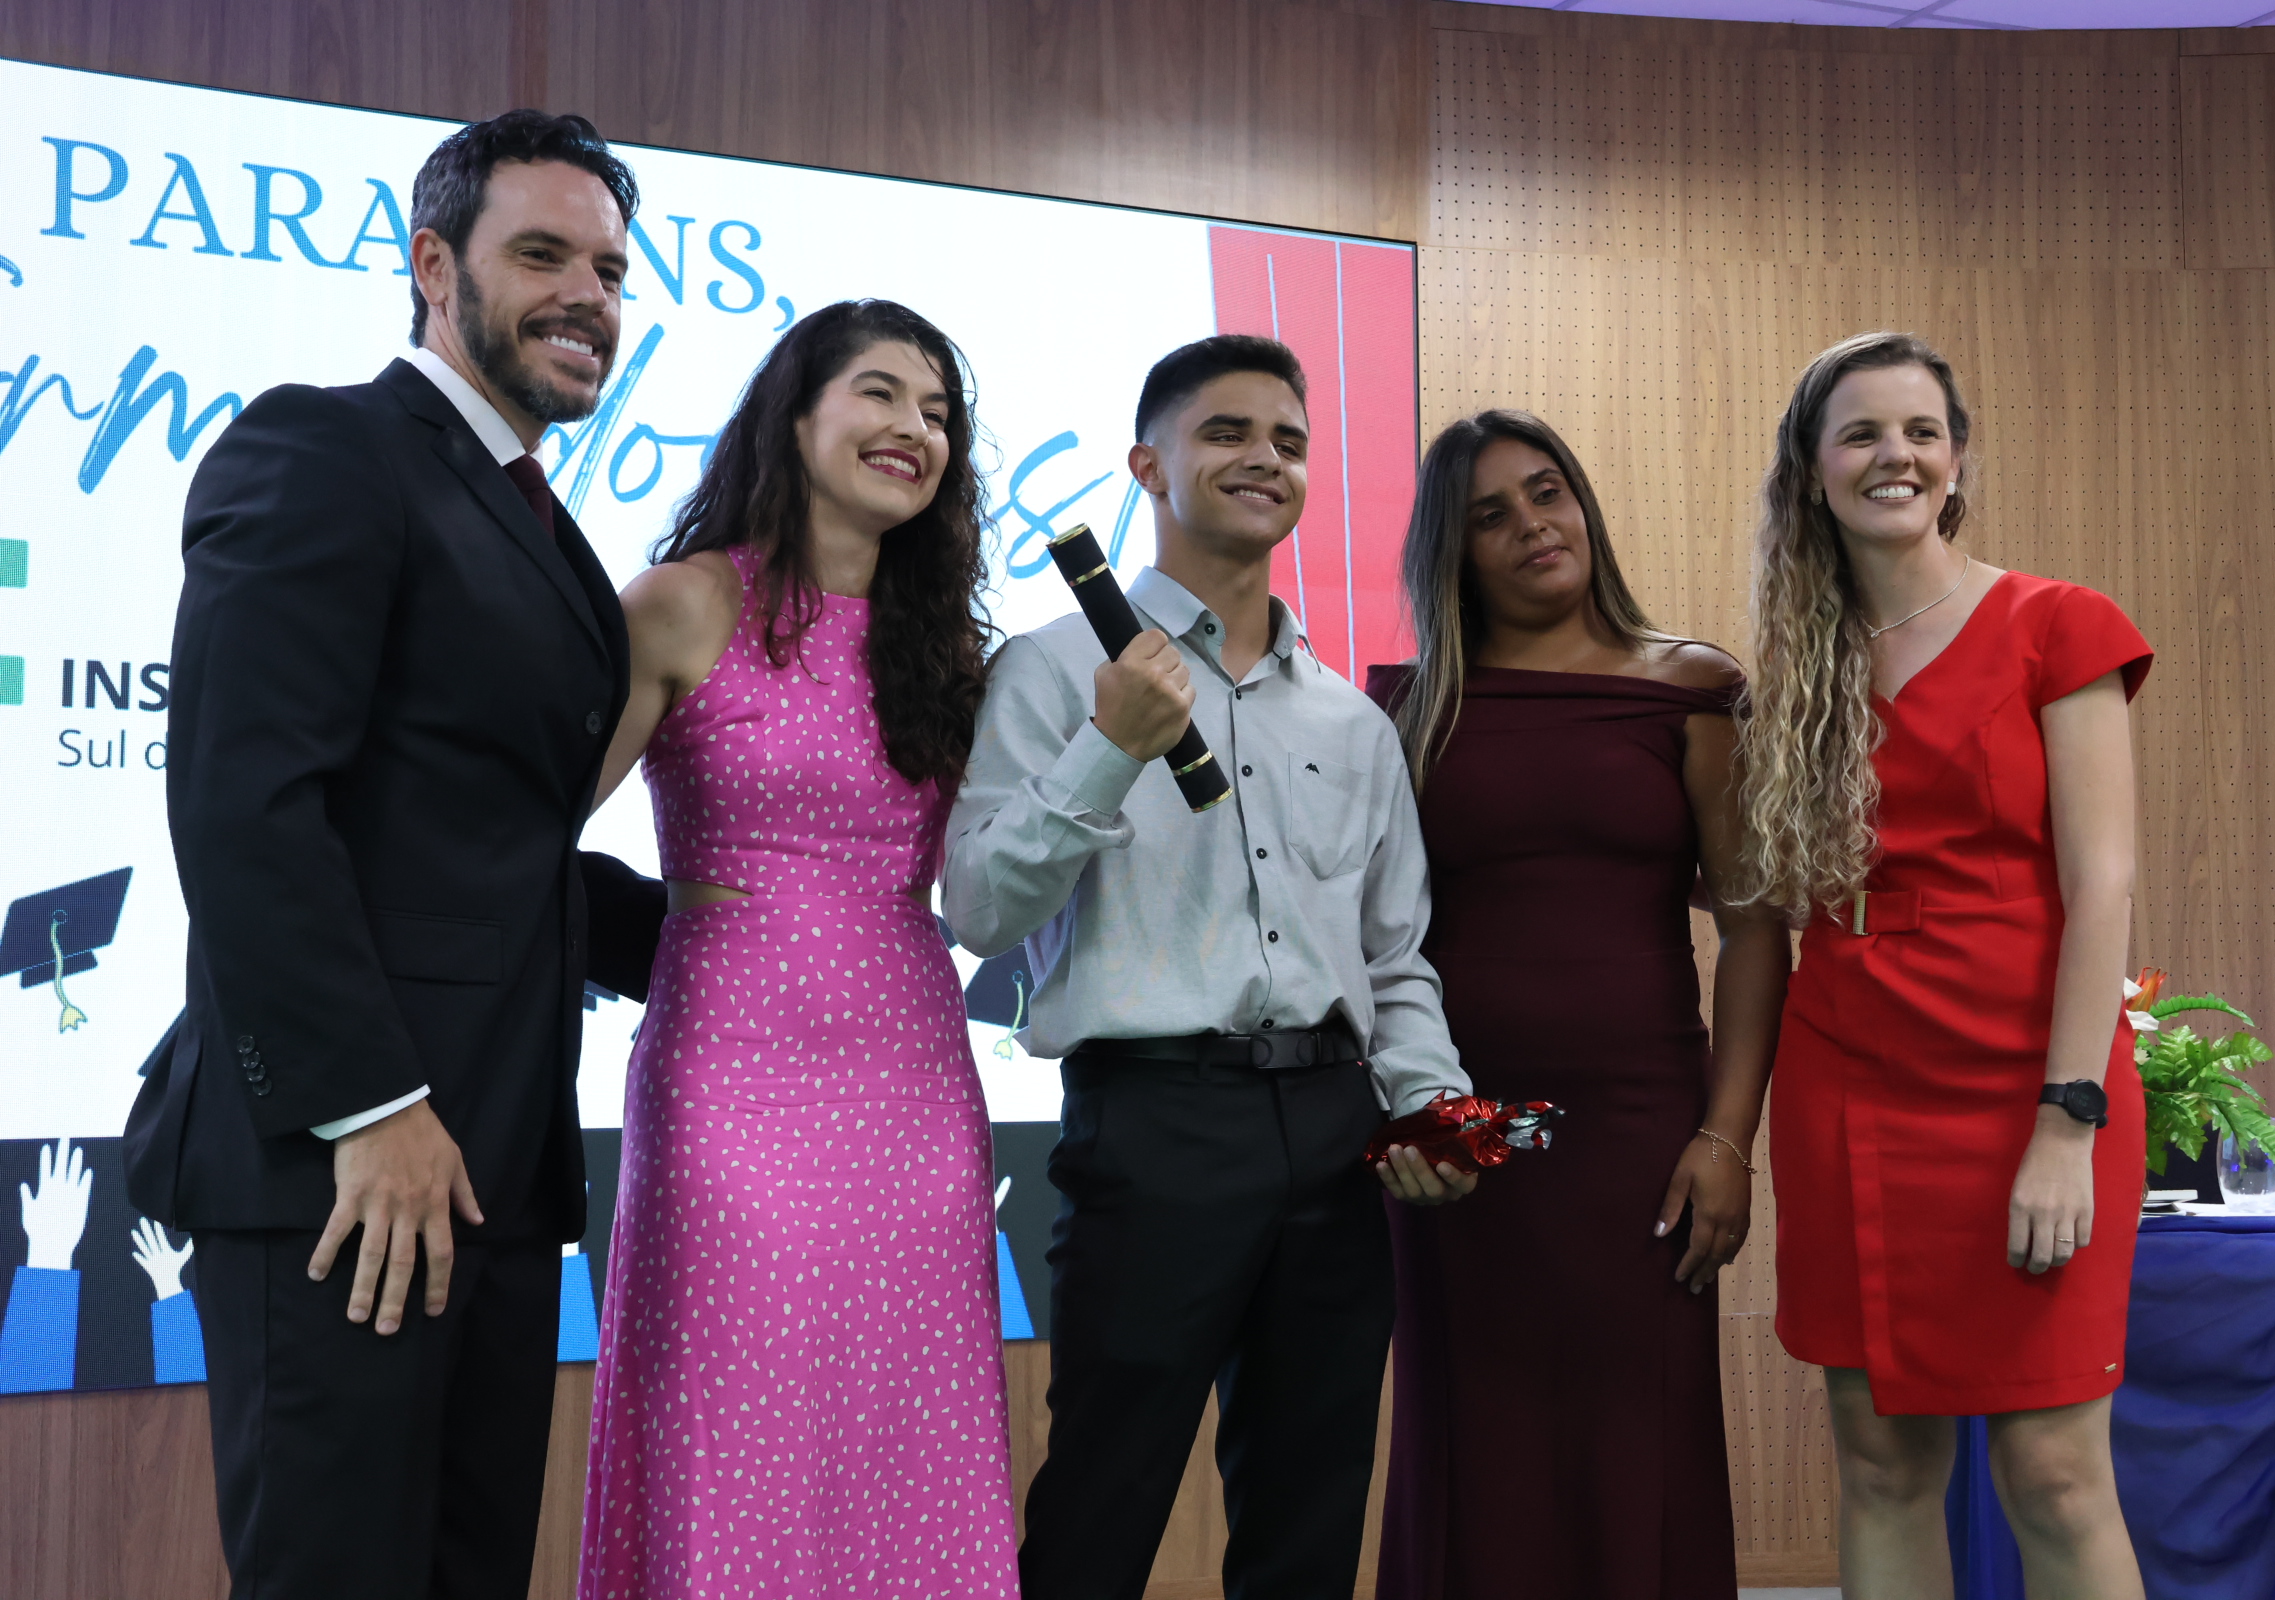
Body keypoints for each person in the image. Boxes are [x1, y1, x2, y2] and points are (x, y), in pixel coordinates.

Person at [120, 111, 638, 1598]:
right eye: (540, 255)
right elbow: (245, 802)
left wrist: (756, 926)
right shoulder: (327, 446)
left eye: (609, 271)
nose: (585, 297)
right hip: (345, 1174)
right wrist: (371, 1106)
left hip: (499, 1179)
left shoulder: (535, 517)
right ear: (433, 266)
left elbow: (489, 845)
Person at [943, 333, 1477, 1600]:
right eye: (1227, 431)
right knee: (1102, 1501)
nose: (1264, 459)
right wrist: (1111, 744)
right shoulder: (1052, 668)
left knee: (1311, 1512)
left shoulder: (1349, 719)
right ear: (1149, 465)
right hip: (1154, 1125)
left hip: (1336, 1129)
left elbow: (1393, 955)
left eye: (1289, 441)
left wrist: (1435, 1103)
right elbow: (980, 908)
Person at [576, 299, 1018, 1597]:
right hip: (732, 1071)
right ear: (797, 413)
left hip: (917, 1080)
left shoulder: (948, 653)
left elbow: (997, 882)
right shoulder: (682, 603)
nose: (914, 427)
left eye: (938, 411)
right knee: (737, 1421)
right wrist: (667, 942)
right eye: (880, 392)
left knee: (910, 1436)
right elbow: (516, 834)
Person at [1738, 332, 2150, 1598]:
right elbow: (1765, 896)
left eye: (1921, 431)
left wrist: (2067, 1122)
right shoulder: (1795, 669)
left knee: (2055, 1469)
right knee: (1880, 1459)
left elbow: (2104, 887)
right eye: (1861, 433)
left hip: (2030, 1079)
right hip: (1847, 1074)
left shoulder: (2056, 625)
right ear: (1813, 470)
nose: (1895, 455)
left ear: (1958, 458)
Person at [1367, 411, 1787, 1599]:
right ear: (1453, 551)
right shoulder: (1407, 707)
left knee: (1634, 1422)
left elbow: (1755, 925)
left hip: (1638, 1124)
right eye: (1489, 515)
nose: (1531, 526)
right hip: (1458, 1117)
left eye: (1546, 492)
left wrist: (1728, 1138)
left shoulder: (1693, 687)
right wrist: (1409, 1114)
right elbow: (1369, 935)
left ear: (1583, 504)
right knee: (1473, 1427)